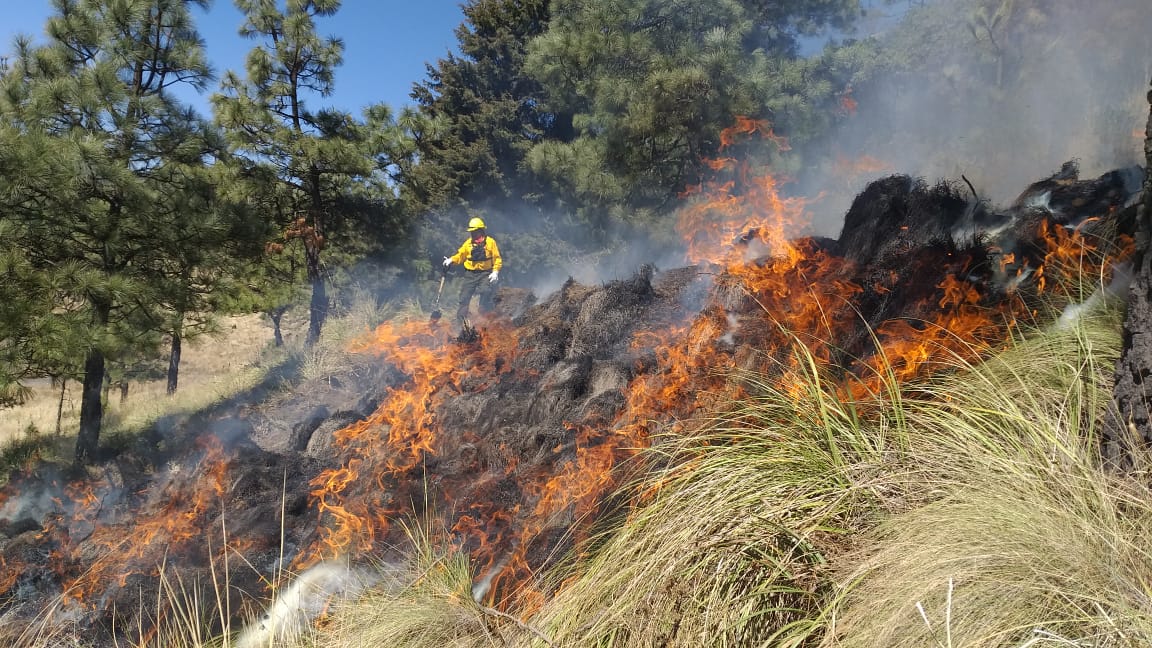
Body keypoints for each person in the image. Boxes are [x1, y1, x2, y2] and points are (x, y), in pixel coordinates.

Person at [443, 216, 502, 324]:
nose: (473, 234)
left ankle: (485, 317)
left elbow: (497, 258)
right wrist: (451, 260)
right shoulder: (468, 244)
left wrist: (495, 271)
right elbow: (460, 255)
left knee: (486, 291)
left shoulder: (490, 242)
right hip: (470, 274)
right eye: (472, 232)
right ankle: (461, 323)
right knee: (464, 297)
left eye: (475, 232)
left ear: (481, 231)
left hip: (485, 273)